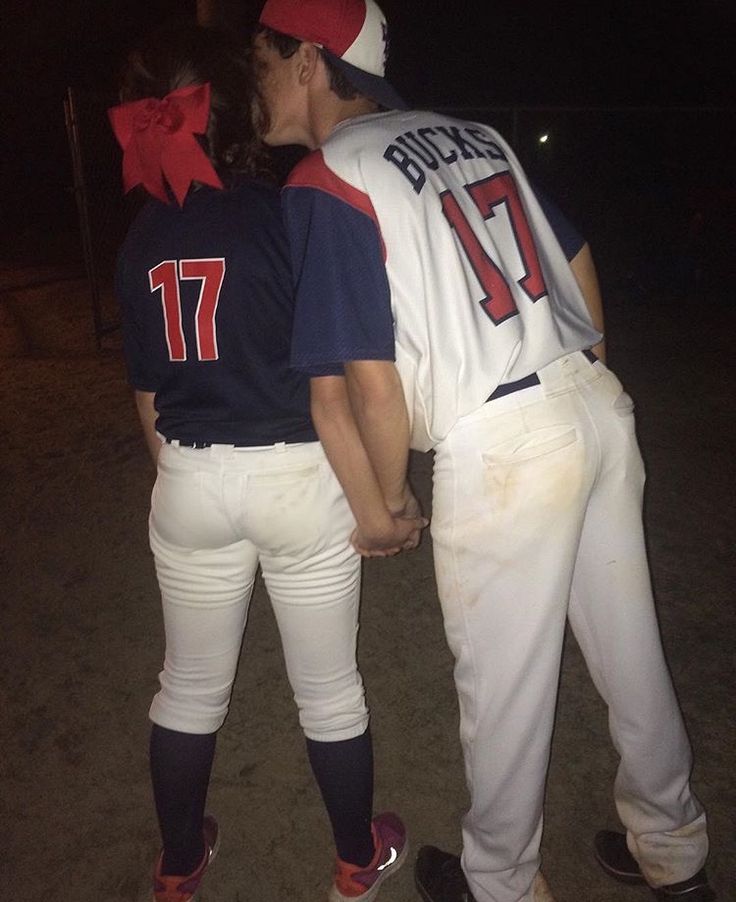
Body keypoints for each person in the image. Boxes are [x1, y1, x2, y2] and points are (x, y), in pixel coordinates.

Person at [251, 1, 716, 901]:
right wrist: (582, 383)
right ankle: (674, 846)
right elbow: (576, 257)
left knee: (502, 695)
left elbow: (365, 385)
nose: (255, 82)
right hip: (589, 404)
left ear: (308, 61)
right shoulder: (470, 134)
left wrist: (384, 508)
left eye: (263, 62)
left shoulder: (326, 174)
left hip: (504, 445)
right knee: (631, 650)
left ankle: (500, 882)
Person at [109, 21, 417, 902]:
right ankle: (355, 860)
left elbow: (147, 402)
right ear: (236, 109)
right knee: (329, 694)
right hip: (296, 475)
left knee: (187, 689)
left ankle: (178, 863)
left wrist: (184, 482)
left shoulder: (140, 239)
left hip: (191, 476)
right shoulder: (290, 207)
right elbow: (341, 372)